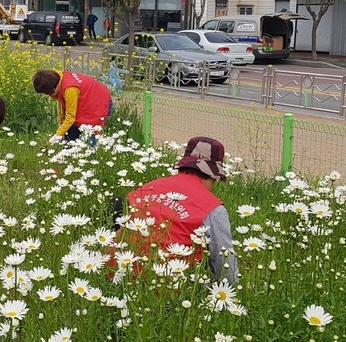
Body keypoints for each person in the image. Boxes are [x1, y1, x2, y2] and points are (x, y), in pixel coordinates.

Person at [125, 137, 238, 284]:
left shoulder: (147, 188)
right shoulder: (212, 208)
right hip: (168, 290)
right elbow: (225, 268)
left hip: (121, 277)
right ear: (213, 175)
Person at [32, 69, 112, 143]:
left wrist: (58, 134)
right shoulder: (60, 80)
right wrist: (61, 130)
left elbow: (70, 117)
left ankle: (92, 154)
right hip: (87, 101)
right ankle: (67, 154)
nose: (49, 96)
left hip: (99, 104)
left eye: (48, 93)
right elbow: (63, 110)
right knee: (70, 135)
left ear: (52, 88)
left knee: (92, 140)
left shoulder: (69, 89)